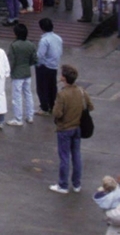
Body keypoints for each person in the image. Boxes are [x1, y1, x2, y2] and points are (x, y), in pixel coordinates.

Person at [51, 63, 94, 193]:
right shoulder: (81, 91)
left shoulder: (62, 95)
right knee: (76, 155)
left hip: (64, 129)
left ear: (64, 78)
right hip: (77, 128)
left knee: (64, 157)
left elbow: (57, 113)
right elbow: (90, 106)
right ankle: (76, 184)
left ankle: (63, 185)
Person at [6, 22, 38, 126]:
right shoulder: (31, 45)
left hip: (17, 74)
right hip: (27, 73)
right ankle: (30, 116)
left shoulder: (14, 45)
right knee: (28, 94)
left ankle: (18, 118)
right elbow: (34, 60)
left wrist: (8, 71)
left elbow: (11, 61)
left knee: (17, 97)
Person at [35, 18, 64, 115]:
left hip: (44, 66)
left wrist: (37, 64)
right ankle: (52, 105)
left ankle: (44, 107)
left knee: (42, 87)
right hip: (54, 66)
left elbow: (39, 55)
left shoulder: (44, 40)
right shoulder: (58, 38)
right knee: (52, 86)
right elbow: (59, 52)